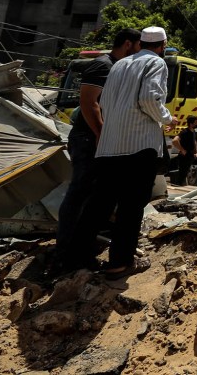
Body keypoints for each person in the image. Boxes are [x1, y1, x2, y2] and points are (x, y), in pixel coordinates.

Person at [72, 26, 177, 278]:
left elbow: (104, 102)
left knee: (99, 203)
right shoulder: (157, 64)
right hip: (138, 145)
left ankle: (77, 258)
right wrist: (167, 118)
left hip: (109, 146)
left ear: (141, 42)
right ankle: (119, 262)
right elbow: (149, 99)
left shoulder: (118, 65)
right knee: (131, 205)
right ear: (162, 45)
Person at [53, 28, 141, 272]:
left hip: (98, 140)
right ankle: (65, 255)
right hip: (88, 139)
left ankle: (79, 251)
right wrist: (102, 135)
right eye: (138, 45)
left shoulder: (117, 66)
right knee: (79, 195)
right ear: (127, 44)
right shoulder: (103, 65)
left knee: (93, 196)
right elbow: (88, 102)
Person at [171, 117, 197, 186]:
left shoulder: (193, 131)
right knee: (182, 175)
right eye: (196, 122)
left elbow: (194, 142)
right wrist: (182, 150)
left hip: (190, 156)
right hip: (184, 157)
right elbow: (174, 141)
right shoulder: (184, 132)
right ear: (191, 124)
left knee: (188, 174)